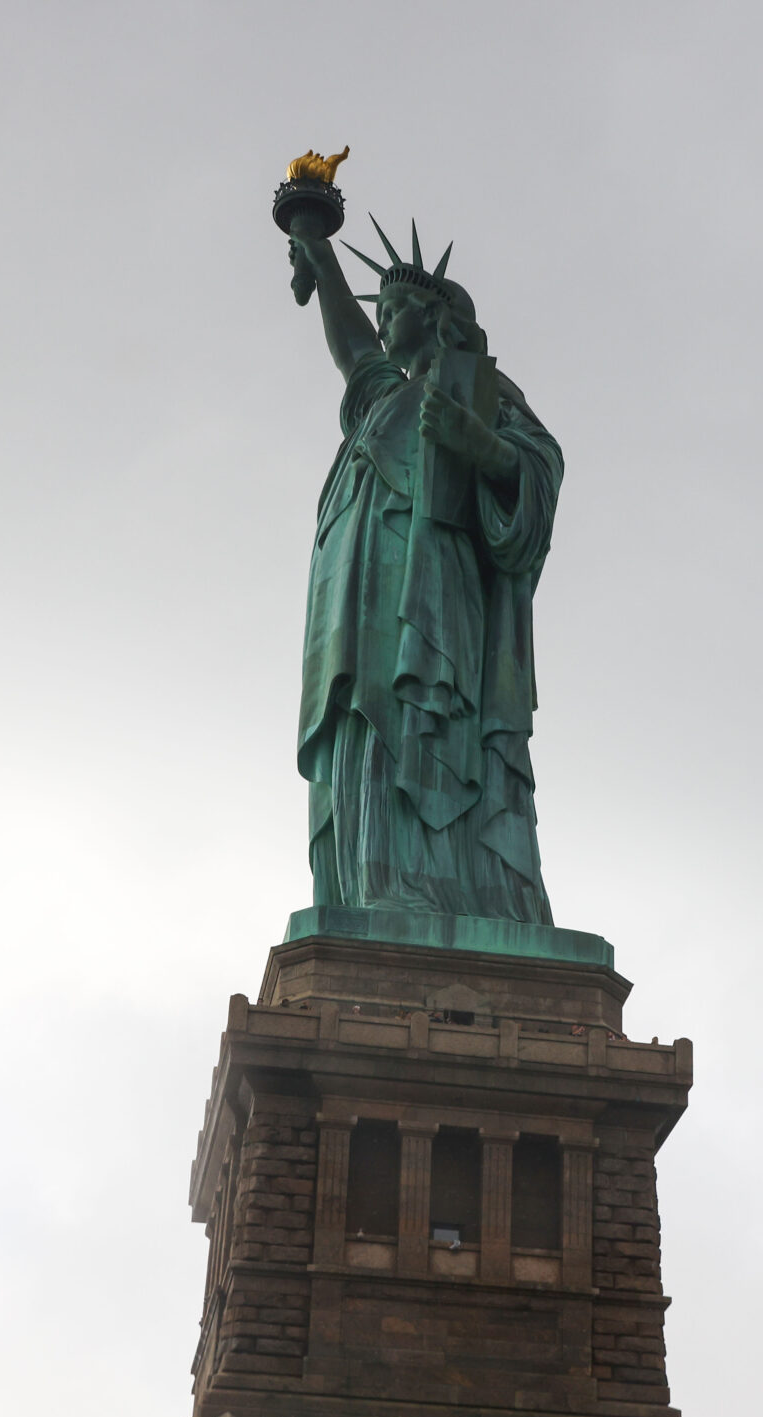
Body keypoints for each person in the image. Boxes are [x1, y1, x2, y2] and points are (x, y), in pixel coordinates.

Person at [277, 206, 564, 923]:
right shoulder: (386, 397)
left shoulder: (477, 389)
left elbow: (539, 465)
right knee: (364, 720)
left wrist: (481, 445)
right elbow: (354, 350)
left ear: (436, 318)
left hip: (435, 585)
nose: (383, 324)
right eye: (382, 311)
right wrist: (318, 252)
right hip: (361, 590)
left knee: (420, 719)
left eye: (396, 309)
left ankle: (441, 888)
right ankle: (373, 878)